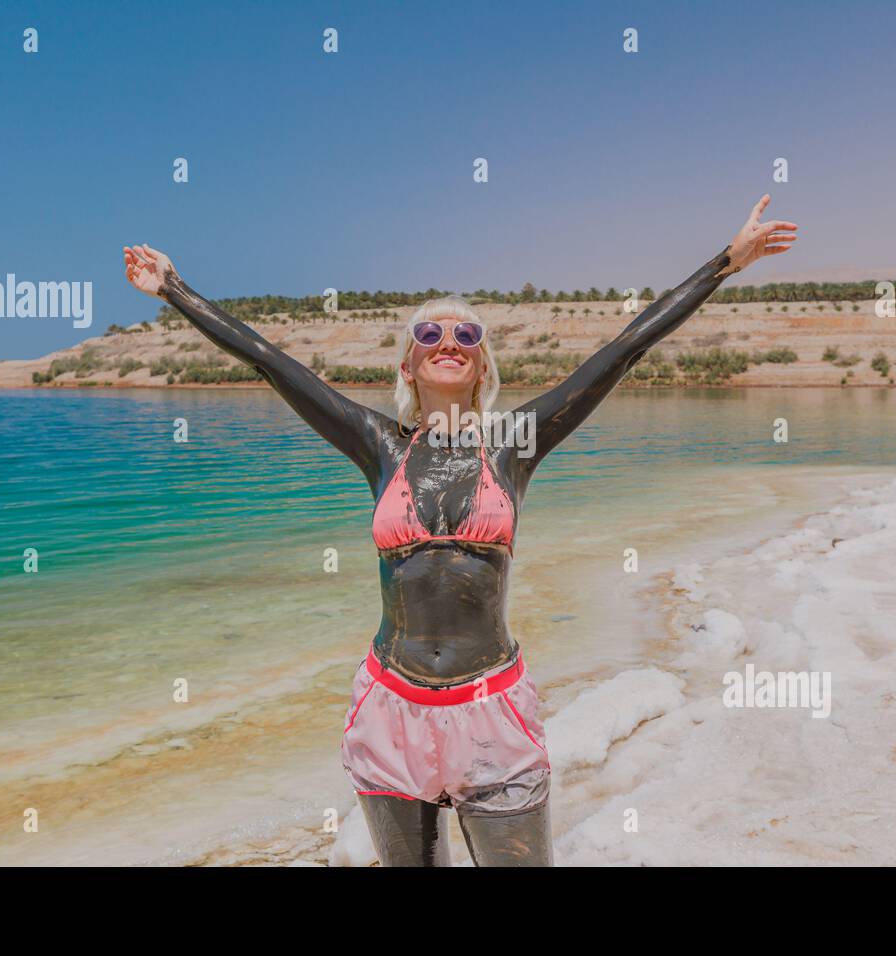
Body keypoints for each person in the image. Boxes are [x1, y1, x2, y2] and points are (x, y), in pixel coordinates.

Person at [123, 195, 797, 866]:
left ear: (481, 365)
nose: (449, 342)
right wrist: (174, 288)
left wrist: (724, 264)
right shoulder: (376, 444)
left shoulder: (514, 445)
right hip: (392, 708)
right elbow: (273, 363)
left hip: (490, 708)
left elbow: (621, 351)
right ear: (407, 366)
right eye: (430, 335)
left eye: (466, 336)